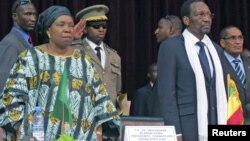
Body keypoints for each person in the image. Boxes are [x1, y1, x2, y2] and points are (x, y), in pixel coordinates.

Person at [0, 5, 120, 141]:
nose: (67, 29)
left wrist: (99, 133)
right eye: (61, 25)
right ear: (48, 30)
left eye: (70, 25)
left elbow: (101, 100)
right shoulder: (31, 58)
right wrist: (21, 131)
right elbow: (11, 99)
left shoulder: (83, 60)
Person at [157, 0, 227, 141]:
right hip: (187, 127)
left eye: (208, 14)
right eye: (200, 14)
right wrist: (175, 131)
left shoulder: (216, 50)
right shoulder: (171, 47)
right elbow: (167, 95)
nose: (207, 19)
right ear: (187, 20)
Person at [73, 5, 128, 116]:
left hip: (109, 114)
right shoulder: (75, 50)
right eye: (96, 26)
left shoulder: (114, 56)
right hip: (83, 114)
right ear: (85, 28)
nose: (101, 29)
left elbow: (119, 91)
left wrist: (124, 114)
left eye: (104, 26)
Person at [0, 0, 37, 93]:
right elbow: (3, 82)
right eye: (28, 14)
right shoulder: (10, 44)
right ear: (15, 16)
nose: (33, 19)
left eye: (34, 14)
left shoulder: (25, 39)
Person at [219, 26, 250, 122]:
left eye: (240, 38)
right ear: (222, 43)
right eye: (233, 38)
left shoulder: (248, 62)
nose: (238, 42)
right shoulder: (217, 64)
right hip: (228, 119)